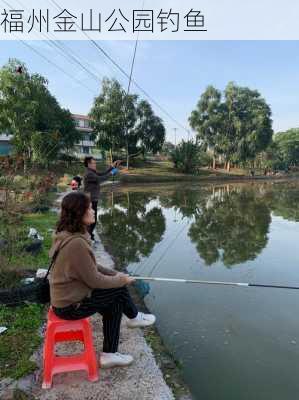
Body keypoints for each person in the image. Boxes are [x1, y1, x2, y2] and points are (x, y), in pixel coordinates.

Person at [49, 191, 156, 368]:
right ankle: (134, 317)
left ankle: (110, 354)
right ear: (79, 212)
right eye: (89, 208)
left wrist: (116, 275)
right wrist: (121, 280)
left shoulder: (67, 234)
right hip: (69, 306)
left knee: (114, 302)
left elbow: (93, 267)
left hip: (68, 299)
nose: (93, 211)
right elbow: (94, 281)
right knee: (118, 289)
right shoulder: (76, 243)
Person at [83, 157, 121, 241]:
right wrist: (112, 173)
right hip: (90, 199)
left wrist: (112, 167)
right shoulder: (89, 174)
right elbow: (101, 179)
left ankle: (89, 235)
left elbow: (102, 173)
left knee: (93, 218)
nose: (95, 164)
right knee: (92, 219)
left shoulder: (92, 172)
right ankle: (88, 236)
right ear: (89, 164)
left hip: (93, 198)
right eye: (93, 163)